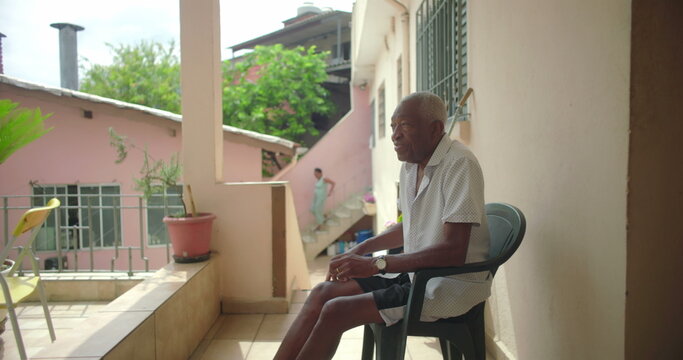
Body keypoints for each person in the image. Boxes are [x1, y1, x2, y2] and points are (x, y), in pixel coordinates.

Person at [274, 92, 491, 360]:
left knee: (335, 311)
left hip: (444, 283)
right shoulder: (411, 165)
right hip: (415, 274)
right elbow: (409, 226)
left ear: (435, 129)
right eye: (393, 126)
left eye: (406, 125)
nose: (395, 135)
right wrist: (360, 250)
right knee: (322, 292)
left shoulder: (459, 164)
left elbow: (454, 251)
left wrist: (378, 264)